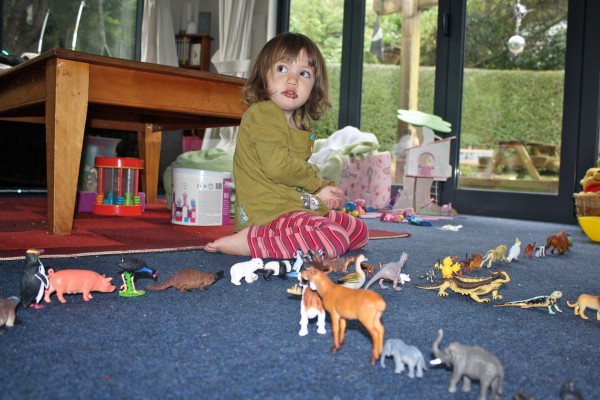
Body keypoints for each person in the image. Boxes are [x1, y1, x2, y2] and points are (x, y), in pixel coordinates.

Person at [205, 32, 368, 259]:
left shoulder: (296, 123)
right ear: (263, 76)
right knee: (335, 239)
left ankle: (282, 238)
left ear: (314, 86)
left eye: (304, 73)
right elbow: (279, 166)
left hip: (290, 204)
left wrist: (322, 192)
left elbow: (294, 177)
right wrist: (317, 184)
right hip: (269, 213)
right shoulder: (263, 113)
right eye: (282, 69)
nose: (293, 80)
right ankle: (252, 241)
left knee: (358, 231)